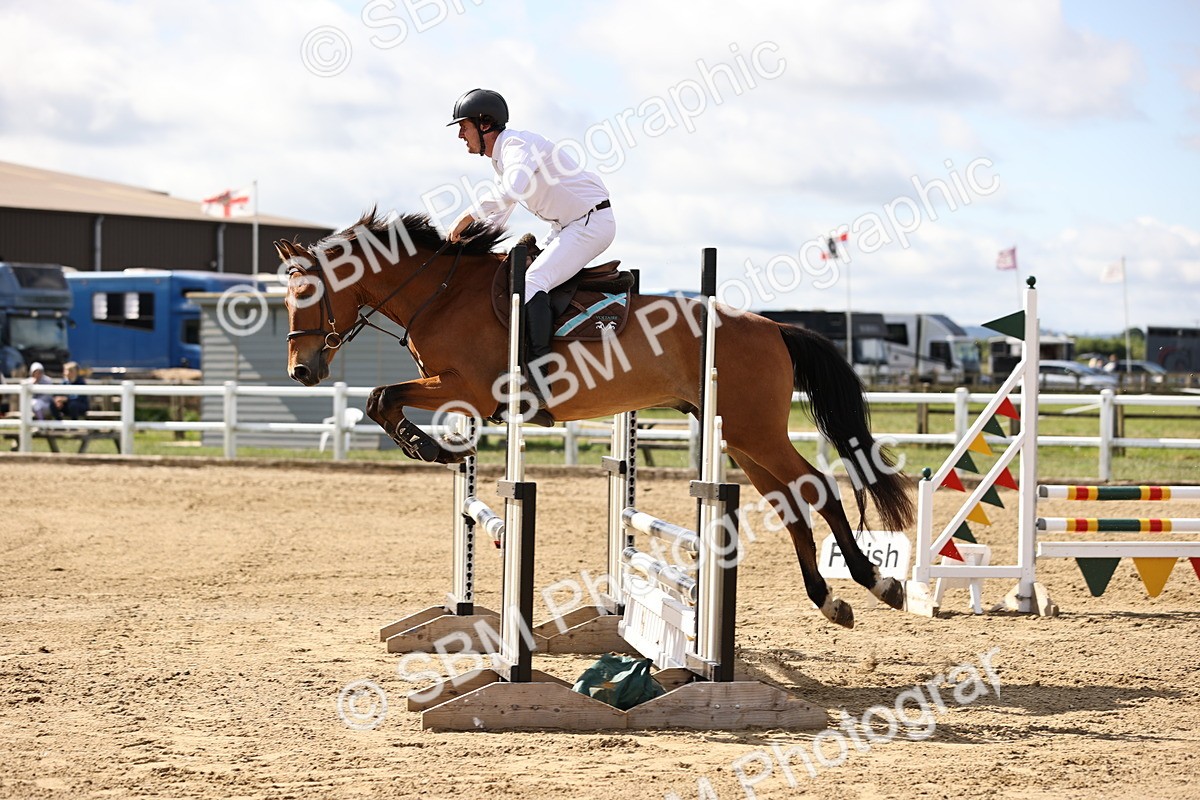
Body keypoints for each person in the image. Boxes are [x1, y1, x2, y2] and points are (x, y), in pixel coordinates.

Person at [445, 88, 616, 413]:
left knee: (534, 282)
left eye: (462, 126)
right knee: (518, 277)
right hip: (568, 225)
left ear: (484, 124)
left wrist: (467, 215)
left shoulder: (516, 145)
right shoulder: (503, 157)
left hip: (591, 222)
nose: (460, 135)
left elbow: (511, 191)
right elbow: (502, 212)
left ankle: (538, 380)